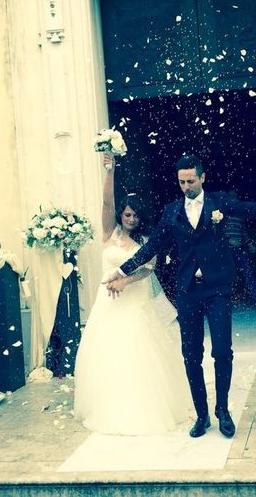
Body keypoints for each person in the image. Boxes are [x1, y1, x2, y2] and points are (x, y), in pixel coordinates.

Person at [105, 154, 256, 439]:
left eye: (191, 181)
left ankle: (223, 410)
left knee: (222, 351)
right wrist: (120, 271)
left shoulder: (219, 202)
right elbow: (151, 248)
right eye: (182, 182)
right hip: (187, 292)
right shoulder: (171, 211)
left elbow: (254, 210)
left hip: (217, 289)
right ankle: (202, 415)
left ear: (202, 178)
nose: (186, 186)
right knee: (191, 355)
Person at [73, 154, 191, 435]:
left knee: (139, 352)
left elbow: (148, 270)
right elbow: (106, 203)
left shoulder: (145, 241)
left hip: (136, 300)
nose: (131, 219)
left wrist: (125, 281)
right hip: (108, 304)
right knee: (110, 353)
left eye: (135, 216)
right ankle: (110, 405)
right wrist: (110, 170)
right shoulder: (109, 233)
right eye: (127, 214)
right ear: (120, 215)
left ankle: (145, 405)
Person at [224, 190, 256, 306]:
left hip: (240, 249)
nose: (234, 200)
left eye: (235, 198)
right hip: (228, 250)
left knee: (248, 273)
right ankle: (225, 301)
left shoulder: (240, 215)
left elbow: (243, 232)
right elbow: (218, 232)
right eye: (232, 198)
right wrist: (228, 240)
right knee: (228, 276)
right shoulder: (223, 214)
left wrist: (250, 244)